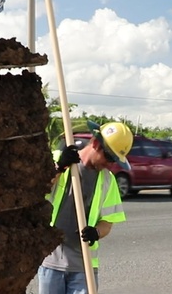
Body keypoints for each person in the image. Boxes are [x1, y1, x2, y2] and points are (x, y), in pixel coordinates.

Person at [39, 120, 133, 294]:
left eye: (115, 160)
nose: (110, 164)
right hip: (51, 260)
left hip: (84, 266)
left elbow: (108, 222)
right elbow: (37, 190)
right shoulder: (59, 158)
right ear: (96, 144)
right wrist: (59, 167)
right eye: (110, 157)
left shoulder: (107, 180)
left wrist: (96, 232)